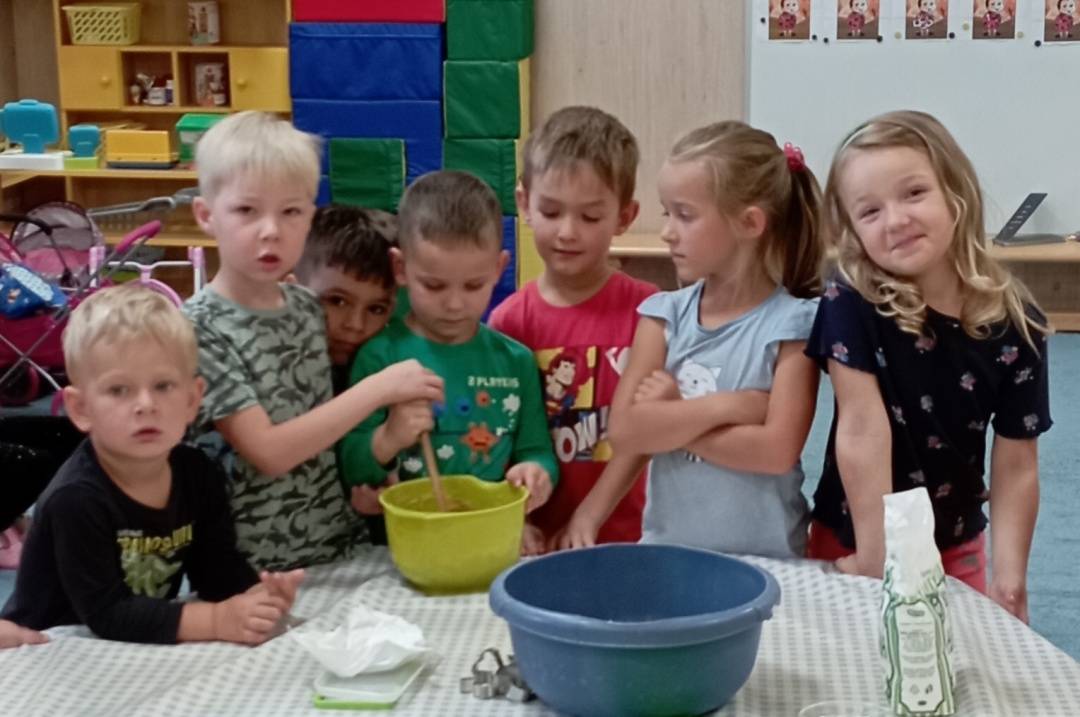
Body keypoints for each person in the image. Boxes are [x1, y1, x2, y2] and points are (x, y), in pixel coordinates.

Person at [805, 110, 1050, 622]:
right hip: (855, 535)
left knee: (954, 663)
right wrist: (874, 558)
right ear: (852, 231)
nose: (895, 220)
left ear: (956, 193)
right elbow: (862, 430)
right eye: (870, 212)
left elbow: (1016, 460)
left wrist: (1010, 578)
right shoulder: (850, 301)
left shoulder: (1018, 323)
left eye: (914, 193)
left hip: (953, 543)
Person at [183, 112, 443, 570]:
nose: (271, 230)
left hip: (341, 550)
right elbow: (269, 453)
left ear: (309, 217)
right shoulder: (197, 328)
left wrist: (367, 485)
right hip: (249, 568)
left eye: (291, 211)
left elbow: (323, 430)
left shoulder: (306, 308)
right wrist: (381, 388)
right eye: (247, 210)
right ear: (206, 215)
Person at [1, 285, 303, 645]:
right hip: (47, 647)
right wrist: (216, 620)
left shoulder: (197, 473)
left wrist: (258, 598)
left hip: (135, 643)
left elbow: (216, 569)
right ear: (81, 409)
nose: (146, 404)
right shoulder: (77, 498)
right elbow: (108, 613)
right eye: (119, 390)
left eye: (163, 386)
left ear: (192, 400)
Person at [608, 121, 824, 558]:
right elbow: (627, 432)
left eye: (685, 215)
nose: (668, 231)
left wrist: (668, 422)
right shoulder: (662, 316)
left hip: (771, 562)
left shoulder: (794, 325)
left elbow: (774, 452)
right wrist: (727, 407)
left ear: (749, 223)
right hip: (670, 556)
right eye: (667, 214)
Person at [339, 171, 557, 553]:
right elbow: (350, 467)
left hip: (492, 543)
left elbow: (536, 450)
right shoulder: (379, 356)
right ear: (401, 269)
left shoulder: (515, 360)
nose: (455, 304)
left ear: (499, 269)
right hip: (403, 549)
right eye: (434, 285)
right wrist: (388, 437)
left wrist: (536, 475)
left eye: (473, 285)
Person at [489, 106, 657, 552]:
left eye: (590, 217)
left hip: (628, 536)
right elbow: (494, 437)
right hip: (536, 540)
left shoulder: (650, 312)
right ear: (524, 203)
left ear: (624, 216)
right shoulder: (508, 322)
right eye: (551, 211)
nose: (567, 232)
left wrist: (591, 516)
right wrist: (511, 518)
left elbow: (649, 432)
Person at [292, 203, 402, 542]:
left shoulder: (391, 367)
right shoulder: (282, 373)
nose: (355, 325)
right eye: (336, 301)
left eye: (377, 308)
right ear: (293, 285)